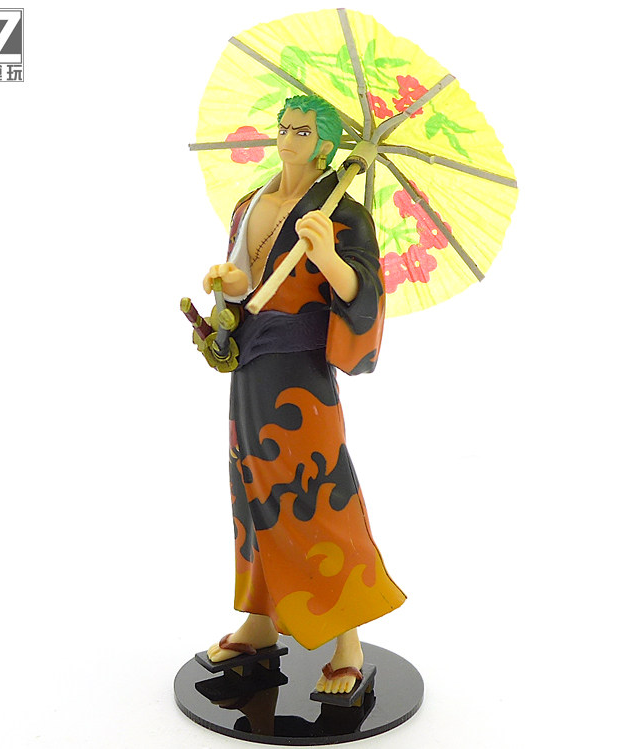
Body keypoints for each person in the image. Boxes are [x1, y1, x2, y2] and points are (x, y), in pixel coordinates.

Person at [201, 95, 405, 695]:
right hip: (250, 364)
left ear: (326, 146)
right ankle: (260, 620)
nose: (287, 138)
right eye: (283, 126)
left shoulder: (343, 214)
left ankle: (347, 640)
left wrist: (329, 258)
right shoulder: (252, 202)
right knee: (251, 489)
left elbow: (365, 295)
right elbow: (247, 277)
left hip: (302, 372)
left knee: (318, 495)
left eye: (303, 131)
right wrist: (227, 283)